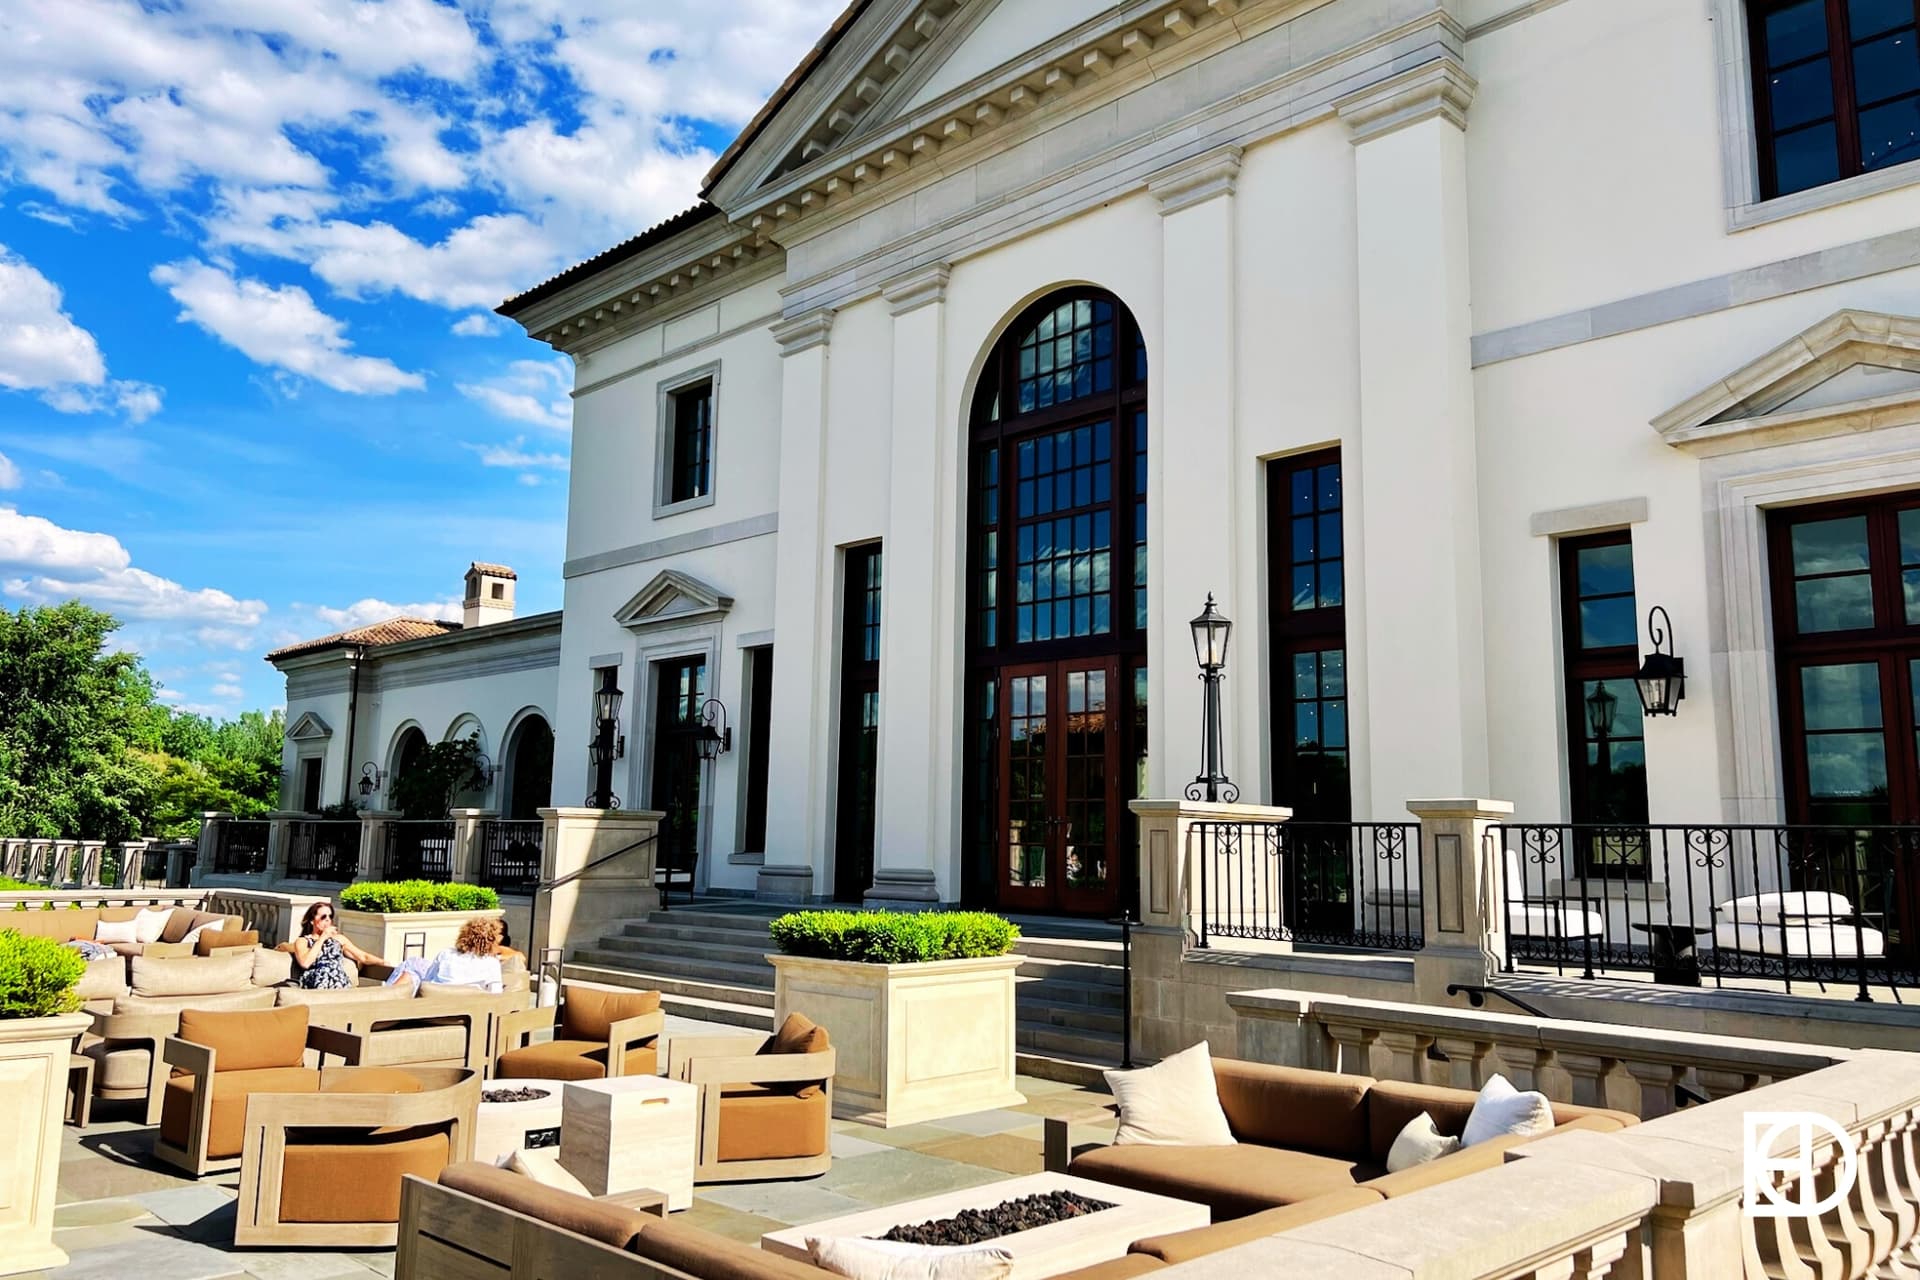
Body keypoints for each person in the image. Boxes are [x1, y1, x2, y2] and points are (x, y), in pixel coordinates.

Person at [383, 917, 505, 993]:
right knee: (412, 970)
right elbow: (495, 993)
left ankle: (387, 995)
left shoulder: (446, 954)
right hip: (465, 1010)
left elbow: (427, 982)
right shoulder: (492, 964)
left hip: (435, 1005)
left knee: (412, 964)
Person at [288, 902, 386, 990]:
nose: (327, 920)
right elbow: (305, 963)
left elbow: (363, 956)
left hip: (338, 979)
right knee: (326, 975)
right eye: (323, 917)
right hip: (316, 979)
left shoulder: (339, 939)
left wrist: (383, 962)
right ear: (312, 921)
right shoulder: (302, 941)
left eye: (330, 916)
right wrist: (322, 938)